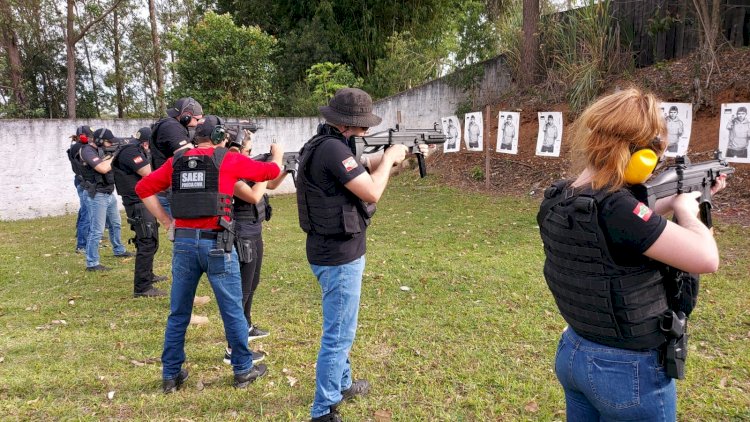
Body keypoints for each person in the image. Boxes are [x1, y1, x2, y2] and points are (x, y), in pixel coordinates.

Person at [537, 88, 726, 421]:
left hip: (574, 351)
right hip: (627, 370)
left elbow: (632, 220)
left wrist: (685, 194)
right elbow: (706, 258)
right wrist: (687, 210)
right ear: (641, 156)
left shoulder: (560, 196)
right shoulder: (619, 210)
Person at [135, 115, 283, 393]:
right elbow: (269, 174)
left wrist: (168, 222)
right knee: (232, 309)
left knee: (178, 313)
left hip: (184, 246)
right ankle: (242, 369)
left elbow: (143, 188)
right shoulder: (226, 158)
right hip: (218, 245)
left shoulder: (176, 162)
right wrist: (277, 156)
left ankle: (170, 375)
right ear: (219, 137)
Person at [297, 88, 410, 422]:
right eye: (362, 127)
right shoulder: (333, 149)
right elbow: (372, 189)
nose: (365, 132)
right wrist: (390, 158)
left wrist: (396, 157)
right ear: (346, 126)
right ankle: (323, 410)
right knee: (338, 334)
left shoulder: (323, 144)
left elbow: (362, 166)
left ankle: (342, 384)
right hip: (339, 255)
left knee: (339, 324)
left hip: (329, 249)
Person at [220, 128, 289, 365]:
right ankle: (232, 348)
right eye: (247, 148)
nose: (249, 153)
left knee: (253, 283)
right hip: (241, 233)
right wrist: (273, 161)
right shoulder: (228, 168)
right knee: (242, 289)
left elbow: (269, 186)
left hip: (254, 230)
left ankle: (246, 326)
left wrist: (285, 170)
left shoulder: (244, 166)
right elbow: (253, 196)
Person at [111, 127, 167, 297]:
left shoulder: (135, 149)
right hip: (136, 202)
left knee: (151, 239)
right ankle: (142, 287)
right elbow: (147, 172)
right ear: (146, 143)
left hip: (142, 201)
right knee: (147, 241)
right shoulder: (130, 151)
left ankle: (148, 276)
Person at [78, 128, 134, 271]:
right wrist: (116, 154)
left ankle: (119, 249)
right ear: (99, 141)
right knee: (97, 230)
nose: (110, 145)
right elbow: (102, 168)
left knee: (115, 224)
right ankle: (92, 263)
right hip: (96, 194)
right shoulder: (86, 151)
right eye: (109, 142)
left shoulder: (102, 151)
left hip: (108, 193)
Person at [149, 97, 204, 215]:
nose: (199, 122)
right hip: (171, 191)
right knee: (184, 231)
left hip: (171, 189)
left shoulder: (172, 125)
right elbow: (188, 155)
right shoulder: (170, 126)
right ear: (186, 116)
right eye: (197, 119)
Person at [68, 126, 93, 254]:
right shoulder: (78, 147)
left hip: (80, 181)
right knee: (87, 214)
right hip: (83, 182)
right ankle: (82, 245)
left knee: (85, 210)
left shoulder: (77, 146)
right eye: (87, 136)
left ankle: (83, 237)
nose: (89, 138)